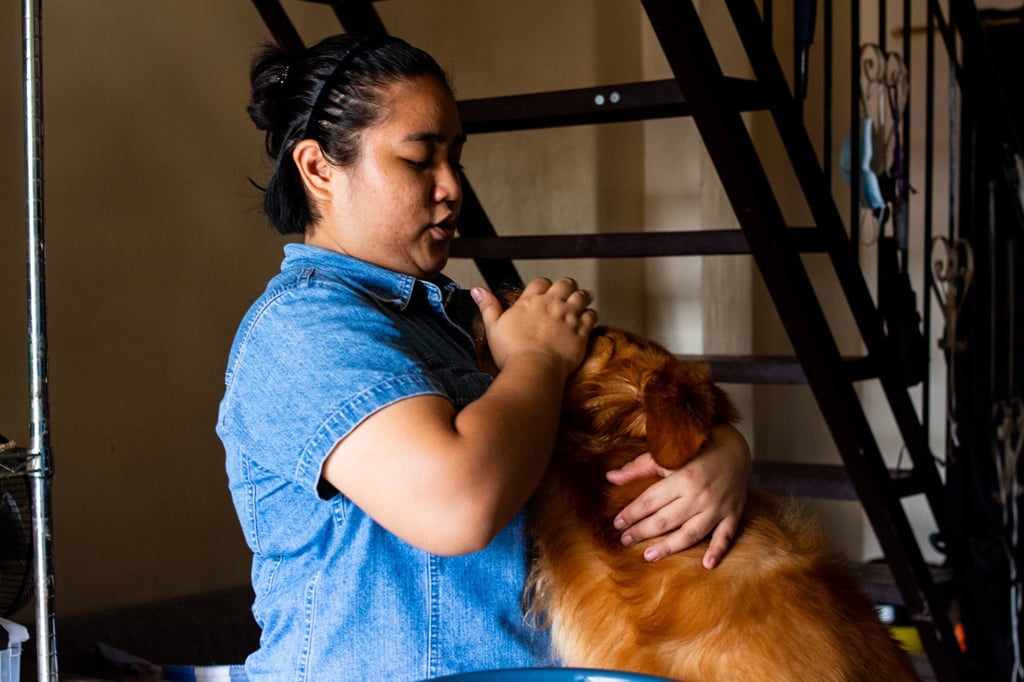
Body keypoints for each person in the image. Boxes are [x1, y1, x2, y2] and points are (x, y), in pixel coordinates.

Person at [217, 33, 752, 682]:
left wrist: (724, 454)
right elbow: (456, 508)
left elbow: (635, 402)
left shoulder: (466, 317)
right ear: (319, 169)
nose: (451, 187)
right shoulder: (302, 329)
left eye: (455, 158)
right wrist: (537, 361)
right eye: (420, 160)